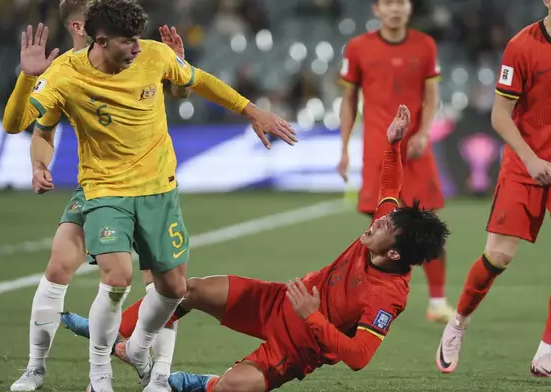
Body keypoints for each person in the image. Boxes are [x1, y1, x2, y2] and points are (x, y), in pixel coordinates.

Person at [2, 0, 298, 391]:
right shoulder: (63, 75)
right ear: (99, 37)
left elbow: (197, 82)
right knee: (114, 275)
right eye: (129, 42)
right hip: (105, 189)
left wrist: (250, 110)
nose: (138, 48)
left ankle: (140, 350)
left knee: (174, 288)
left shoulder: (153, 55)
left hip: (159, 190)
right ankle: (94, 376)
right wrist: (27, 79)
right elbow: (18, 125)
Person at [61, 105, 451, 392]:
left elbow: (360, 357)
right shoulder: (385, 231)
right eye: (385, 217)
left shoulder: (388, 297)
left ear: (395, 254)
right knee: (186, 290)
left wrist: (313, 317)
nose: (379, 219)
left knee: (232, 387)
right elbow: (389, 188)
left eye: (386, 225)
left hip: (298, 347)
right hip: (278, 300)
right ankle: (124, 340)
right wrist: (393, 145)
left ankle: (192, 383)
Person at [7, 2, 192, 391]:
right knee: (60, 266)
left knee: (159, 279)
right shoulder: (63, 72)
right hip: (98, 186)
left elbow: (176, 92)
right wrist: (39, 166)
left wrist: (178, 72)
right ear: (82, 25)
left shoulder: (131, 55)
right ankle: (36, 368)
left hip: (147, 183)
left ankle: (157, 371)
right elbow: (40, 130)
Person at [436, 5, 551, 377]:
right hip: (525, 164)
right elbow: (500, 114)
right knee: (498, 257)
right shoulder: (522, 46)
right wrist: (531, 159)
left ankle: (547, 352)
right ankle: (458, 322)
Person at [337, 0, 453, 322]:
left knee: (429, 224)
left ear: (410, 7)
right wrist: (344, 148)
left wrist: (424, 133)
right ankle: (364, 300)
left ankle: (438, 302)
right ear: (376, 9)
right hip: (378, 150)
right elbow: (348, 101)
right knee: (376, 232)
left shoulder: (425, 45)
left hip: (415, 150)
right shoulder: (358, 48)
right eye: (387, 2)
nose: (395, 9)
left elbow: (431, 97)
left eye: (400, 2)